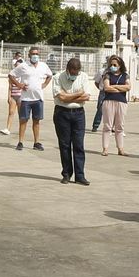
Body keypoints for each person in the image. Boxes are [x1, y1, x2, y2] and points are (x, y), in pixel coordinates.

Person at [51, 56, 96, 185]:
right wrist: (78, 94)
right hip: (62, 113)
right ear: (68, 70)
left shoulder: (83, 77)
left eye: (76, 73)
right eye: (72, 73)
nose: (74, 75)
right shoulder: (58, 77)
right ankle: (66, 173)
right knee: (64, 145)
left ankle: (80, 175)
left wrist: (68, 96)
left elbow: (86, 96)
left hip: (78, 114)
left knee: (79, 145)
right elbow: (61, 98)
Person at [11, 47, 53, 151]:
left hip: (38, 98)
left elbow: (50, 75)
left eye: (37, 54)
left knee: (36, 121)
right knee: (23, 120)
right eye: (33, 54)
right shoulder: (23, 66)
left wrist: (45, 84)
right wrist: (19, 85)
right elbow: (11, 75)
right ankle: (20, 142)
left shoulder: (43, 66)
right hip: (26, 99)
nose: (35, 56)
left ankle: (36, 142)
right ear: (29, 55)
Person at [98, 54, 131, 156]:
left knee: (119, 126)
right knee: (107, 126)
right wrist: (121, 88)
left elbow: (128, 87)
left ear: (120, 65)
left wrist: (115, 86)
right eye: (111, 64)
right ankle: (105, 148)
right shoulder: (107, 75)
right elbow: (107, 88)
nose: (113, 66)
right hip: (108, 102)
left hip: (121, 102)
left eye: (115, 64)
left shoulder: (125, 75)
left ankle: (120, 149)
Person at [1, 51, 24, 135]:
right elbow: (10, 87)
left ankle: (21, 129)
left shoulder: (24, 76)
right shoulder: (12, 76)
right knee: (11, 112)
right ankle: (7, 129)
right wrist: (9, 97)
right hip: (13, 96)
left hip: (21, 96)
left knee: (21, 114)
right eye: (16, 66)